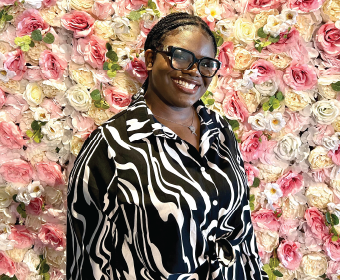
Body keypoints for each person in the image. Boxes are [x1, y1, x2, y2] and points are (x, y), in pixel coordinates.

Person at [67, 12, 268, 280]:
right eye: (182, 57)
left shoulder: (218, 129)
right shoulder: (110, 145)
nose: (194, 72)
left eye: (205, 64)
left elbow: (242, 229)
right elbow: (86, 257)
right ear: (150, 59)